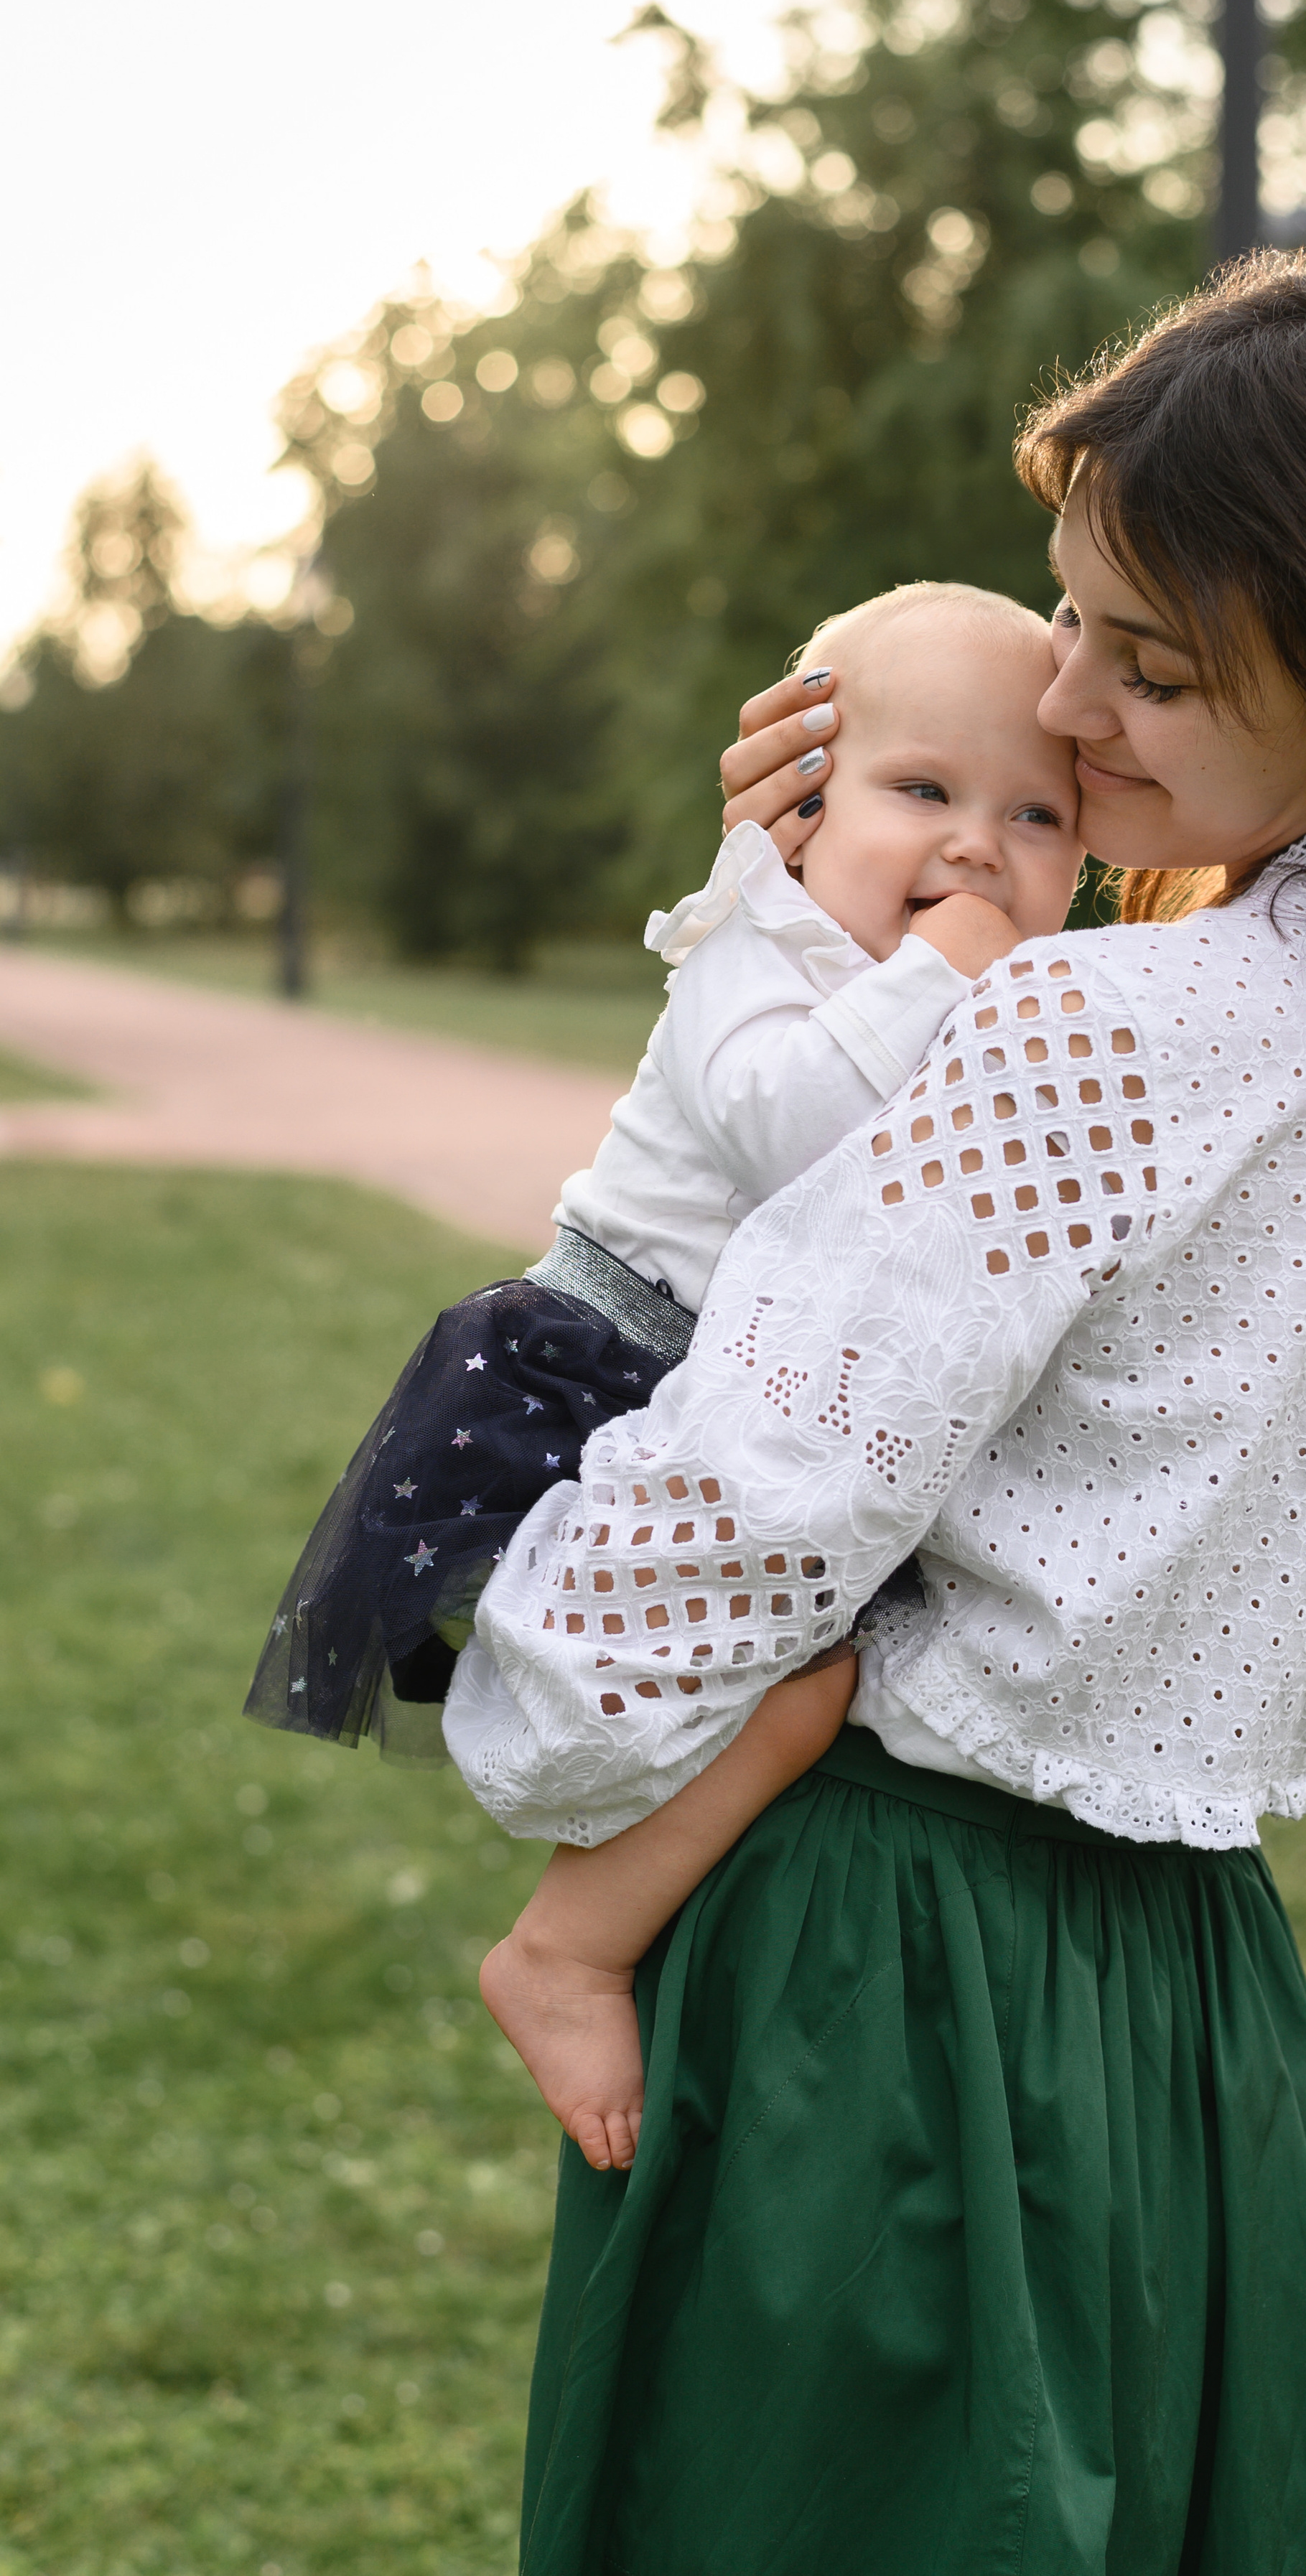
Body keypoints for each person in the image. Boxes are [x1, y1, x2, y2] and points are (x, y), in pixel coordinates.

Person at [460, 251, 1306, 2576]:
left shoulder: (1102, 1037)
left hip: (888, 1983)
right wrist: (902, 852)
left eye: (1157, 661)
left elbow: (732, 1509)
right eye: (1066, 615)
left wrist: (787, 930)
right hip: (1202, 2003)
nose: (1065, 690)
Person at [244, 579, 1084, 2159]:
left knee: (823, 1690)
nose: (977, 847)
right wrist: (946, 972)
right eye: (924, 793)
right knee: (788, 1694)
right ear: (796, 808)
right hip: (600, 1369)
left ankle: (614, 1941)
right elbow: (798, 1136)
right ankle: (566, 1948)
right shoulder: (745, 941)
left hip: (743, 1391)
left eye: (1035, 816)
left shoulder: (982, 1000)